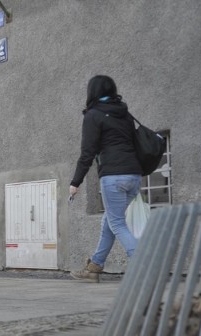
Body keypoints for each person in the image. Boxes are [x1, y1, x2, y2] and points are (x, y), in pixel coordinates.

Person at [69, 75, 142, 282]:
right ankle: (95, 266)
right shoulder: (125, 114)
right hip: (134, 176)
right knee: (109, 220)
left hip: (114, 176)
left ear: (92, 91)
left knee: (117, 222)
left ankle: (141, 265)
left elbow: (87, 153)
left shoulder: (93, 115)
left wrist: (75, 182)